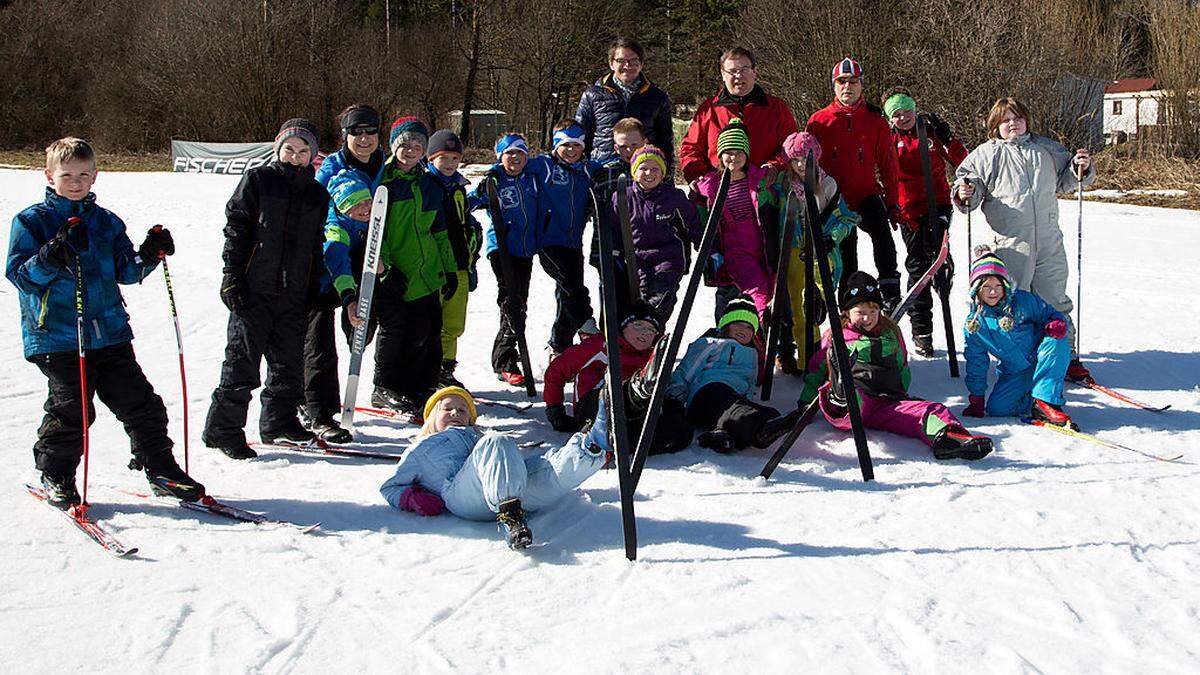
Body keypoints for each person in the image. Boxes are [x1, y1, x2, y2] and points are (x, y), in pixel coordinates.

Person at [7, 136, 205, 505]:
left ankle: (160, 468)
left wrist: (150, 253)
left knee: (142, 404)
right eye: (67, 175)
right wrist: (52, 254)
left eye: (84, 174)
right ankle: (56, 474)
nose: (76, 182)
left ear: (95, 176)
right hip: (59, 336)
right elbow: (20, 276)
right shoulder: (32, 221)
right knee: (73, 410)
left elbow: (125, 270)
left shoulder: (106, 222)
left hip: (110, 332)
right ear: (49, 176)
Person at [203, 119, 329, 459]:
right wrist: (232, 274)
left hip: (294, 292)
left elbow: (316, 244)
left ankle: (279, 423)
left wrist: (316, 283)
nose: (295, 157)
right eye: (289, 149)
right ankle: (224, 428)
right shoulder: (259, 180)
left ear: (313, 156)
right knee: (242, 361)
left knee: (288, 363)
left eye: (304, 152)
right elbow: (237, 228)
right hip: (254, 288)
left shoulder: (317, 194)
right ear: (278, 149)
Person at [953, 97, 1094, 381]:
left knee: (1054, 299)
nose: (1012, 124)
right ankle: (1021, 360)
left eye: (1017, 118)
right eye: (1005, 120)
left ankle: (1066, 357)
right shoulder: (985, 154)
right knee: (1013, 302)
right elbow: (967, 184)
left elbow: (1069, 179)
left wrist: (1081, 166)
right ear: (996, 126)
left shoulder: (1047, 149)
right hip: (1009, 244)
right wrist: (964, 193)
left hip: (1049, 240)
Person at [380, 386, 611, 550]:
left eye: (463, 411)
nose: (455, 413)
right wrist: (412, 498)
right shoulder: (422, 447)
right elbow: (390, 487)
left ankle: (592, 446)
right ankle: (511, 518)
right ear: (431, 417)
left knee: (546, 468)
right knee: (496, 441)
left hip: (502, 489)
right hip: (461, 496)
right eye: (448, 408)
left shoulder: (476, 436)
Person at [799, 271, 993, 460]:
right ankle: (841, 396)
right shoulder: (836, 336)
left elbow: (902, 365)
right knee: (852, 396)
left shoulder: (891, 333)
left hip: (886, 401)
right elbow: (817, 370)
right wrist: (805, 402)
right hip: (854, 403)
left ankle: (950, 440)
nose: (867, 318)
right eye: (860, 312)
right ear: (847, 312)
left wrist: (900, 393)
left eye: (873, 311)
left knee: (930, 410)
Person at [301, 105, 387, 442]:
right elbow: (329, 234)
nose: (363, 139)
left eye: (370, 132)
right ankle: (317, 411)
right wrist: (347, 293)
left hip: (363, 261)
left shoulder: (386, 165)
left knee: (362, 330)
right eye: (356, 132)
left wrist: (381, 257)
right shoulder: (330, 172)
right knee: (319, 344)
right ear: (345, 135)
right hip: (323, 266)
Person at [364, 116, 456, 422]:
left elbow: (439, 231)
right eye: (404, 144)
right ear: (394, 146)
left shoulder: (428, 184)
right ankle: (385, 386)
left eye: (417, 145)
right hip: (394, 273)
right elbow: (376, 231)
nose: (411, 150)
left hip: (427, 273)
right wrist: (386, 268)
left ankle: (423, 387)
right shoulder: (382, 182)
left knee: (429, 333)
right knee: (396, 332)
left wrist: (449, 269)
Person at [806, 58, 903, 308]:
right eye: (842, 82)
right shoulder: (819, 121)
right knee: (846, 252)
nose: (847, 87)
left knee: (882, 234)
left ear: (861, 85)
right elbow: (806, 166)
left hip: (866, 193)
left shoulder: (875, 121)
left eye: (853, 82)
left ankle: (889, 288)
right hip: (836, 200)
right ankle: (848, 303)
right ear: (834, 86)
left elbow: (888, 166)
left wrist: (893, 204)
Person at [758, 131, 858, 372]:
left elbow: (845, 219)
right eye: (795, 160)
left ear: (817, 157)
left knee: (818, 302)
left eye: (806, 158)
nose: (801, 165)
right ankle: (808, 362)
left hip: (821, 252)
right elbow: (761, 201)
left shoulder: (827, 184)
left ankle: (828, 336)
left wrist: (832, 237)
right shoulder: (782, 184)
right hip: (791, 251)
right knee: (799, 311)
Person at [881, 88, 968, 356]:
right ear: (890, 118)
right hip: (909, 212)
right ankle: (922, 330)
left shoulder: (929, 133)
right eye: (896, 114)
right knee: (918, 268)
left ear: (915, 109)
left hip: (937, 203)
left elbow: (963, 161)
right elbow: (883, 175)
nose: (903, 117)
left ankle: (945, 265)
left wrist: (949, 138)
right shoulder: (887, 139)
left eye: (907, 110)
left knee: (936, 255)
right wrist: (892, 208)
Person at [542, 301, 692, 455]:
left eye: (651, 330)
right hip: (593, 408)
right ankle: (634, 391)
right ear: (623, 326)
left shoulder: (650, 358)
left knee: (682, 432)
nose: (645, 333)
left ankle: (613, 441)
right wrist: (555, 410)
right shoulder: (601, 345)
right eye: (638, 325)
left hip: (628, 421)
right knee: (614, 394)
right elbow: (556, 370)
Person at [960, 247, 1077, 430]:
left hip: (1041, 359)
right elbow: (976, 362)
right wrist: (976, 397)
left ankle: (1046, 402)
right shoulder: (975, 324)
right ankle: (1033, 399)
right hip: (1015, 371)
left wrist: (1056, 322)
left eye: (998, 286)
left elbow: (1050, 314)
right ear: (977, 289)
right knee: (997, 409)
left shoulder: (1022, 301)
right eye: (987, 287)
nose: (993, 292)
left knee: (1056, 341)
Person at [666, 296, 801, 453]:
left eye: (749, 327)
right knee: (732, 407)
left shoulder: (752, 354)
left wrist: (747, 400)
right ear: (726, 325)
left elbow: (749, 384)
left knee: (750, 410)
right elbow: (687, 370)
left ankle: (721, 437)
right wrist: (674, 399)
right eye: (738, 324)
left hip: (731, 398)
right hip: (705, 394)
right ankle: (760, 430)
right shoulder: (711, 343)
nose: (744, 330)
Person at [467, 133, 542, 387]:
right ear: (500, 157)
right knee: (512, 301)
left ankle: (507, 351)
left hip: (525, 249)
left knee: (521, 301)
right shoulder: (494, 180)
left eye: (520, 153)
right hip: (501, 247)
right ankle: (504, 360)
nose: (515, 158)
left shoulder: (532, 177)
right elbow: (468, 203)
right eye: (509, 153)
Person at [526, 120, 599, 358]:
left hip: (573, 242)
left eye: (576, 145)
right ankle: (586, 323)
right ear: (556, 145)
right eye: (566, 145)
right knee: (571, 285)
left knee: (566, 291)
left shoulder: (587, 169)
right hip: (549, 241)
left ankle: (560, 344)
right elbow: (514, 164)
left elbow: (609, 167)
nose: (571, 150)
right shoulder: (545, 165)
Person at [680, 46, 797, 187]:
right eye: (732, 71)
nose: (738, 76)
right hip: (719, 192)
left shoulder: (776, 108)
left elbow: (791, 147)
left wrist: (775, 166)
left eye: (744, 70)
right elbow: (691, 147)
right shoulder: (709, 109)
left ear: (755, 72)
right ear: (723, 74)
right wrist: (697, 175)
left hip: (765, 192)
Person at [609, 144, 700, 319]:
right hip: (637, 260)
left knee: (660, 300)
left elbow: (692, 223)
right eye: (643, 168)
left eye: (655, 168)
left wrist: (705, 249)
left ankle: (653, 331)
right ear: (634, 172)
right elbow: (614, 227)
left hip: (668, 258)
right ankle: (643, 338)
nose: (649, 174)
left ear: (663, 172)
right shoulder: (622, 198)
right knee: (640, 304)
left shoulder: (674, 197)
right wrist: (614, 253)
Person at [697, 119, 772, 321]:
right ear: (720, 155)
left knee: (772, 286)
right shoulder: (712, 185)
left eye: (739, 152)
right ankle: (764, 321)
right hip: (736, 249)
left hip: (763, 245)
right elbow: (700, 213)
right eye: (729, 152)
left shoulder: (759, 179)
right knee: (758, 289)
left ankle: (766, 337)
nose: (734, 157)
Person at [425, 130, 482, 388]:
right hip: (434, 267)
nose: (449, 164)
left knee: (454, 324)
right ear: (430, 159)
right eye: (443, 158)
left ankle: (445, 369)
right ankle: (426, 369)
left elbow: (465, 224)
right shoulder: (427, 186)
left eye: (454, 158)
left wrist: (471, 257)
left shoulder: (459, 188)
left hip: (460, 264)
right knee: (431, 323)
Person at [575, 37, 675, 173]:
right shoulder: (593, 95)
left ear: (641, 64)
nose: (627, 66)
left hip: (645, 173)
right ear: (611, 63)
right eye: (621, 61)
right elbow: (580, 137)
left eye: (634, 61)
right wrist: (580, 171)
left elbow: (665, 142)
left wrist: (667, 175)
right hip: (602, 170)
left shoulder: (657, 97)